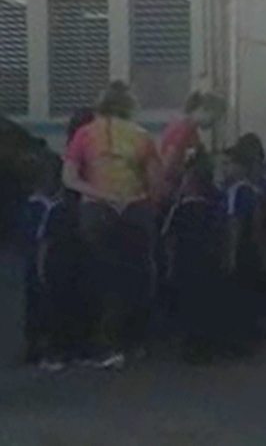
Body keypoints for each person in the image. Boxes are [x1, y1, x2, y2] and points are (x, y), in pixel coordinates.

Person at [62, 81, 162, 370]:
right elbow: (155, 181)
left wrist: (100, 193)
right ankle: (135, 342)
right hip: (135, 209)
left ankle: (105, 346)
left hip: (97, 211)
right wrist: (137, 199)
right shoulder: (141, 136)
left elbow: (69, 178)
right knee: (135, 276)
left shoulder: (84, 134)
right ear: (131, 106)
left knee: (100, 276)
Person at [163, 148, 229, 364]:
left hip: (185, 264)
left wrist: (170, 265)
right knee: (205, 304)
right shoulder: (214, 209)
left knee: (188, 305)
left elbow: (169, 238)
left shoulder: (180, 209)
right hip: (207, 263)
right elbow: (221, 236)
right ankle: (206, 345)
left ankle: (190, 346)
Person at [19, 153, 70, 371]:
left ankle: (32, 350)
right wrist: (42, 268)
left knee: (33, 308)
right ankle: (46, 353)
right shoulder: (51, 208)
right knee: (47, 309)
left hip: (30, 264)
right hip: (46, 264)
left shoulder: (29, 205)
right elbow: (44, 240)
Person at [224, 133, 266, 350]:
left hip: (242, 247)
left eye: (228, 164)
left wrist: (230, 255)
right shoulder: (254, 190)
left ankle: (239, 341)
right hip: (254, 247)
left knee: (238, 295)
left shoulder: (236, 191)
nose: (225, 169)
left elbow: (234, 223)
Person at [157, 91, 226, 200]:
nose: (213, 124)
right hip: (170, 189)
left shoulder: (189, 131)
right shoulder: (182, 132)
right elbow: (168, 164)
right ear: (204, 109)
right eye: (213, 119)